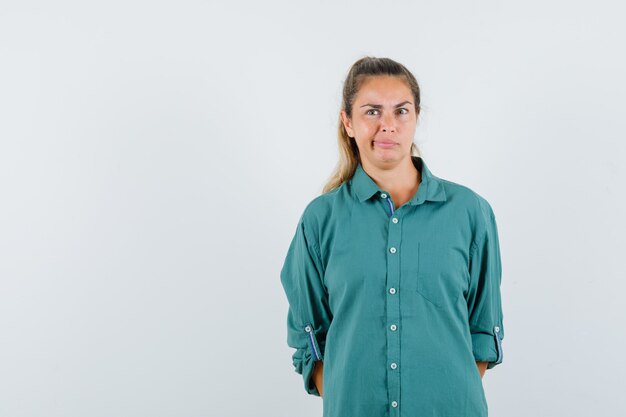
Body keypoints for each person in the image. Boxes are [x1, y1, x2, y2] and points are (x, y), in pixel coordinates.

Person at [279, 56, 505, 417]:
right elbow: (309, 338)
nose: (388, 126)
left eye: (401, 111)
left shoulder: (469, 212)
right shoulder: (320, 220)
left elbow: (483, 329)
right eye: (372, 112)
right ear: (348, 122)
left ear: (416, 118)